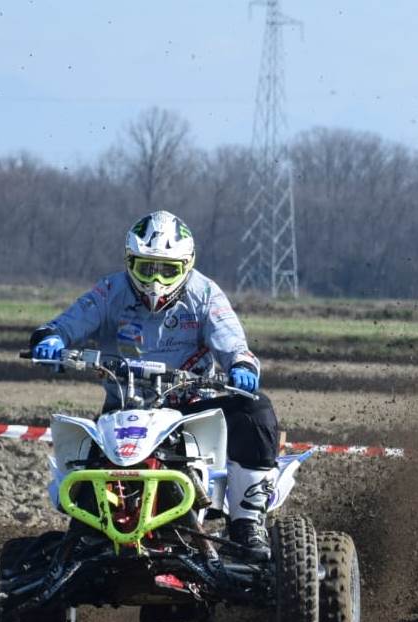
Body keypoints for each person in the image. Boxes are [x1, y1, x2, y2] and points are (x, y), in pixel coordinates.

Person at [28, 210, 279, 562]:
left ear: (186, 266)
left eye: (168, 269)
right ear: (130, 261)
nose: (156, 281)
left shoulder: (205, 293)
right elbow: (67, 323)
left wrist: (240, 365)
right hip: (123, 413)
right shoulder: (109, 291)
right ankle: (80, 542)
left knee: (255, 411)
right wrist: (51, 339)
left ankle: (247, 524)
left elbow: (233, 341)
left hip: (188, 414)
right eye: (147, 268)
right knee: (84, 466)